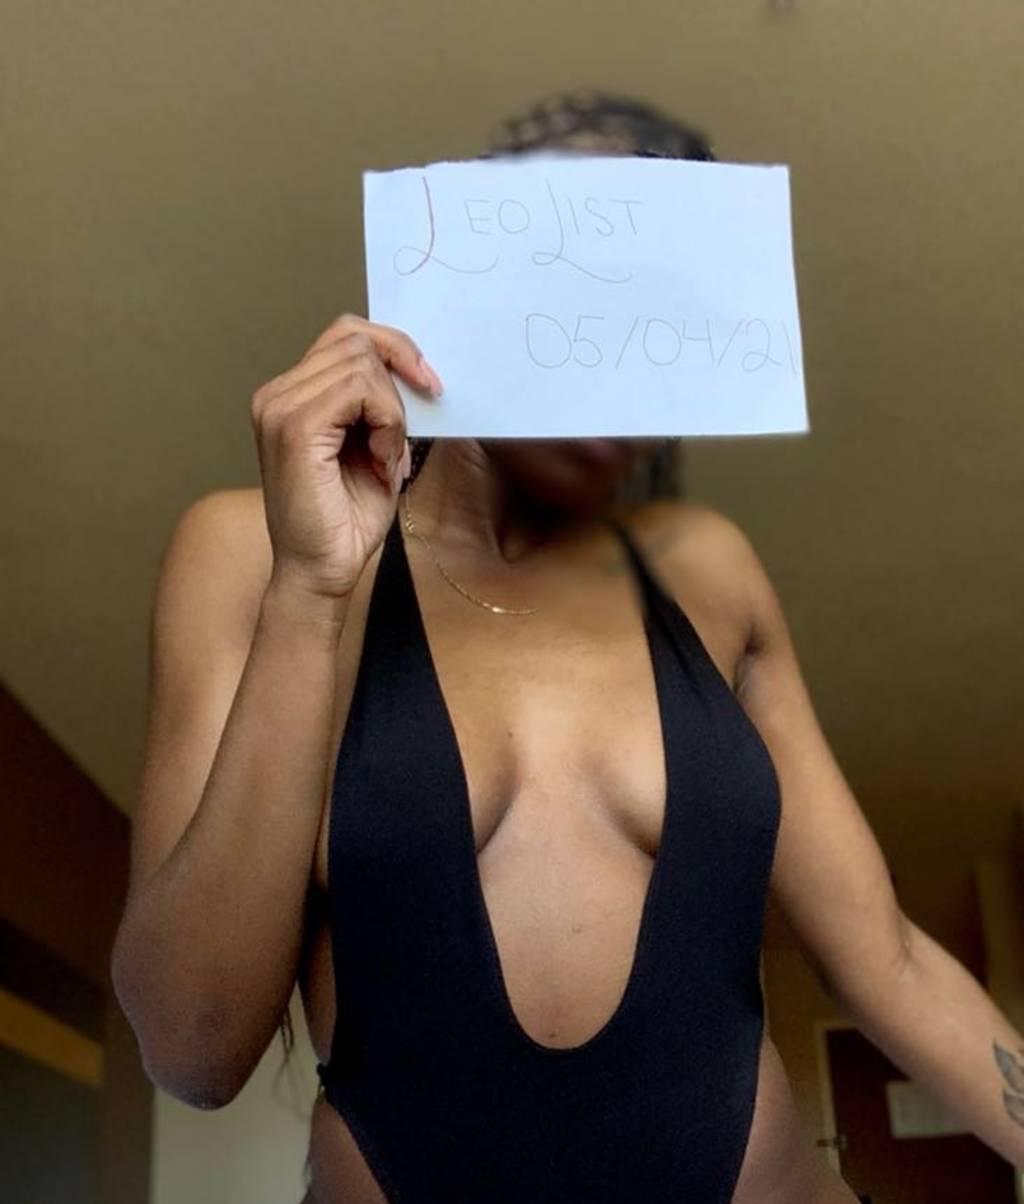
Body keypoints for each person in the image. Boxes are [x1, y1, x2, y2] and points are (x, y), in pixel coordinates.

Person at [112, 90, 1024, 1204]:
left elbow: (887, 959)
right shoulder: (251, 553)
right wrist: (313, 590)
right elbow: (191, 1047)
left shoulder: (707, 569)